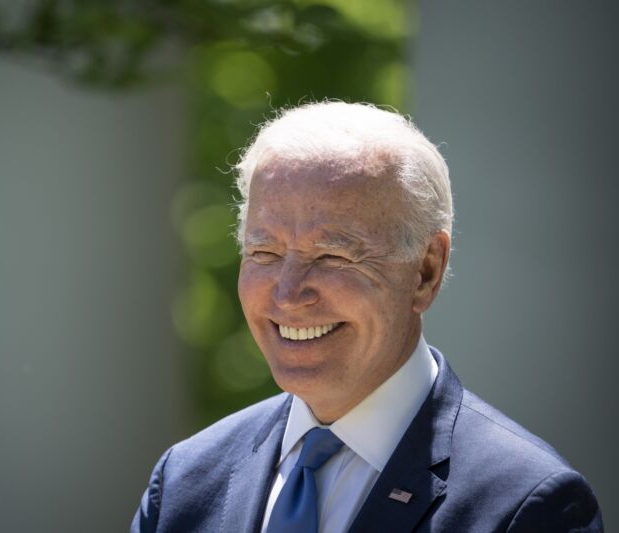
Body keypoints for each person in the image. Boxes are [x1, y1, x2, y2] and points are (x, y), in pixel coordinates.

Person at [131, 102, 603, 532]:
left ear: (425, 271)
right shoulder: (184, 481)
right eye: (265, 251)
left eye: (333, 255)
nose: (290, 293)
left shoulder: (527, 505)